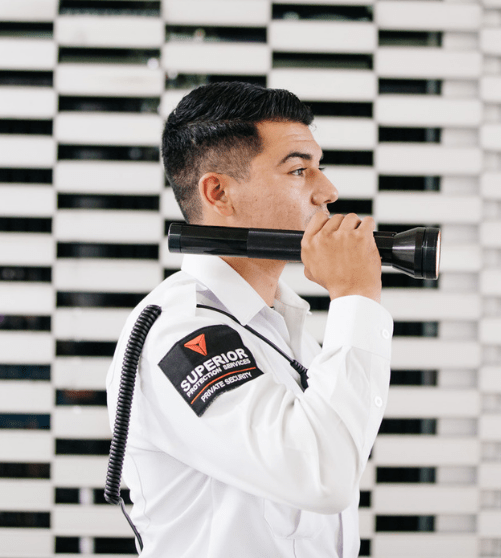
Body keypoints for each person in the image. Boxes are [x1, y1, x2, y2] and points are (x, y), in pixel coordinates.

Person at [106, 81, 393, 557]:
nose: (328, 191)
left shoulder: (279, 325)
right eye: (300, 170)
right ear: (218, 192)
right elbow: (323, 475)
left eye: (319, 167)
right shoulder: (181, 332)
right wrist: (356, 294)